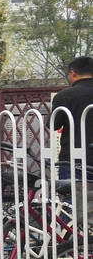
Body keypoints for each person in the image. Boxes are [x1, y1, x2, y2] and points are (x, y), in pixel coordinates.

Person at [51, 56, 93, 192]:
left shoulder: (65, 96)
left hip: (73, 159)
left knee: (71, 202)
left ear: (73, 73)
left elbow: (53, 124)